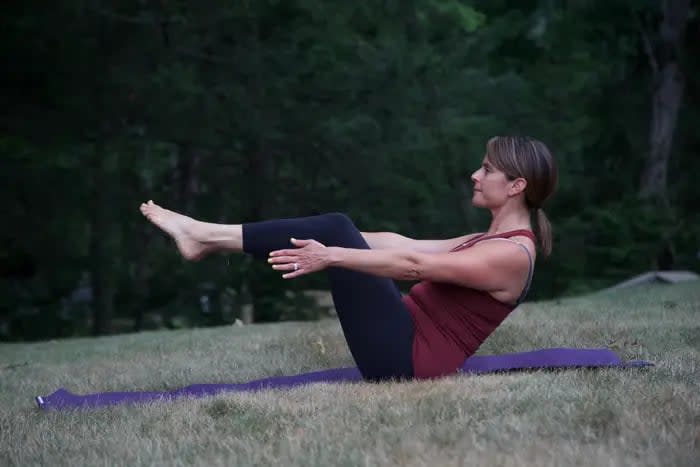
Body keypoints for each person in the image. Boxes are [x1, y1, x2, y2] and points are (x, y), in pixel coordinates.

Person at [139, 136, 558, 381]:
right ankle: (209, 239)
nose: (475, 175)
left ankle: (204, 236)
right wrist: (335, 242)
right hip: (404, 339)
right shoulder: (489, 239)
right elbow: (401, 242)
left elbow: (414, 266)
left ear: (517, 185)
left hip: (407, 362)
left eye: (486, 170)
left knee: (335, 230)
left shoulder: (512, 254)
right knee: (335, 227)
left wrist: (334, 254)